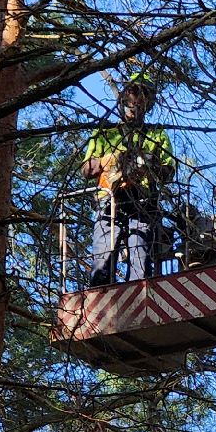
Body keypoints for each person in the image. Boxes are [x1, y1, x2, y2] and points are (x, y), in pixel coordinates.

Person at [83, 73, 175, 287]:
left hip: (142, 205)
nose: (137, 99)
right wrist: (109, 160)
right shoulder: (106, 133)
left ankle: (138, 302)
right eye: (134, 92)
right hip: (109, 204)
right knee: (102, 264)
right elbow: (86, 170)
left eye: (143, 94)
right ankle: (101, 303)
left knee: (140, 263)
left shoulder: (157, 135)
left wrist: (148, 167)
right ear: (124, 97)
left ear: (149, 102)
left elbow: (169, 171)